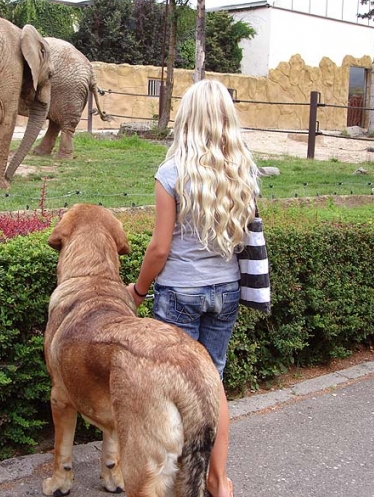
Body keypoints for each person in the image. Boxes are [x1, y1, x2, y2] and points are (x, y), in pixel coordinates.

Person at [126, 79, 260, 497]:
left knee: (175, 394)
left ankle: (178, 483)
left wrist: (137, 289)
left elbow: (160, 246)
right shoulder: (244, 171)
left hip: (178, 296)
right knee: (212, 386)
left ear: (187, 119)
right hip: (227, 291)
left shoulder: (171, 173)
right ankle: (218, 482)